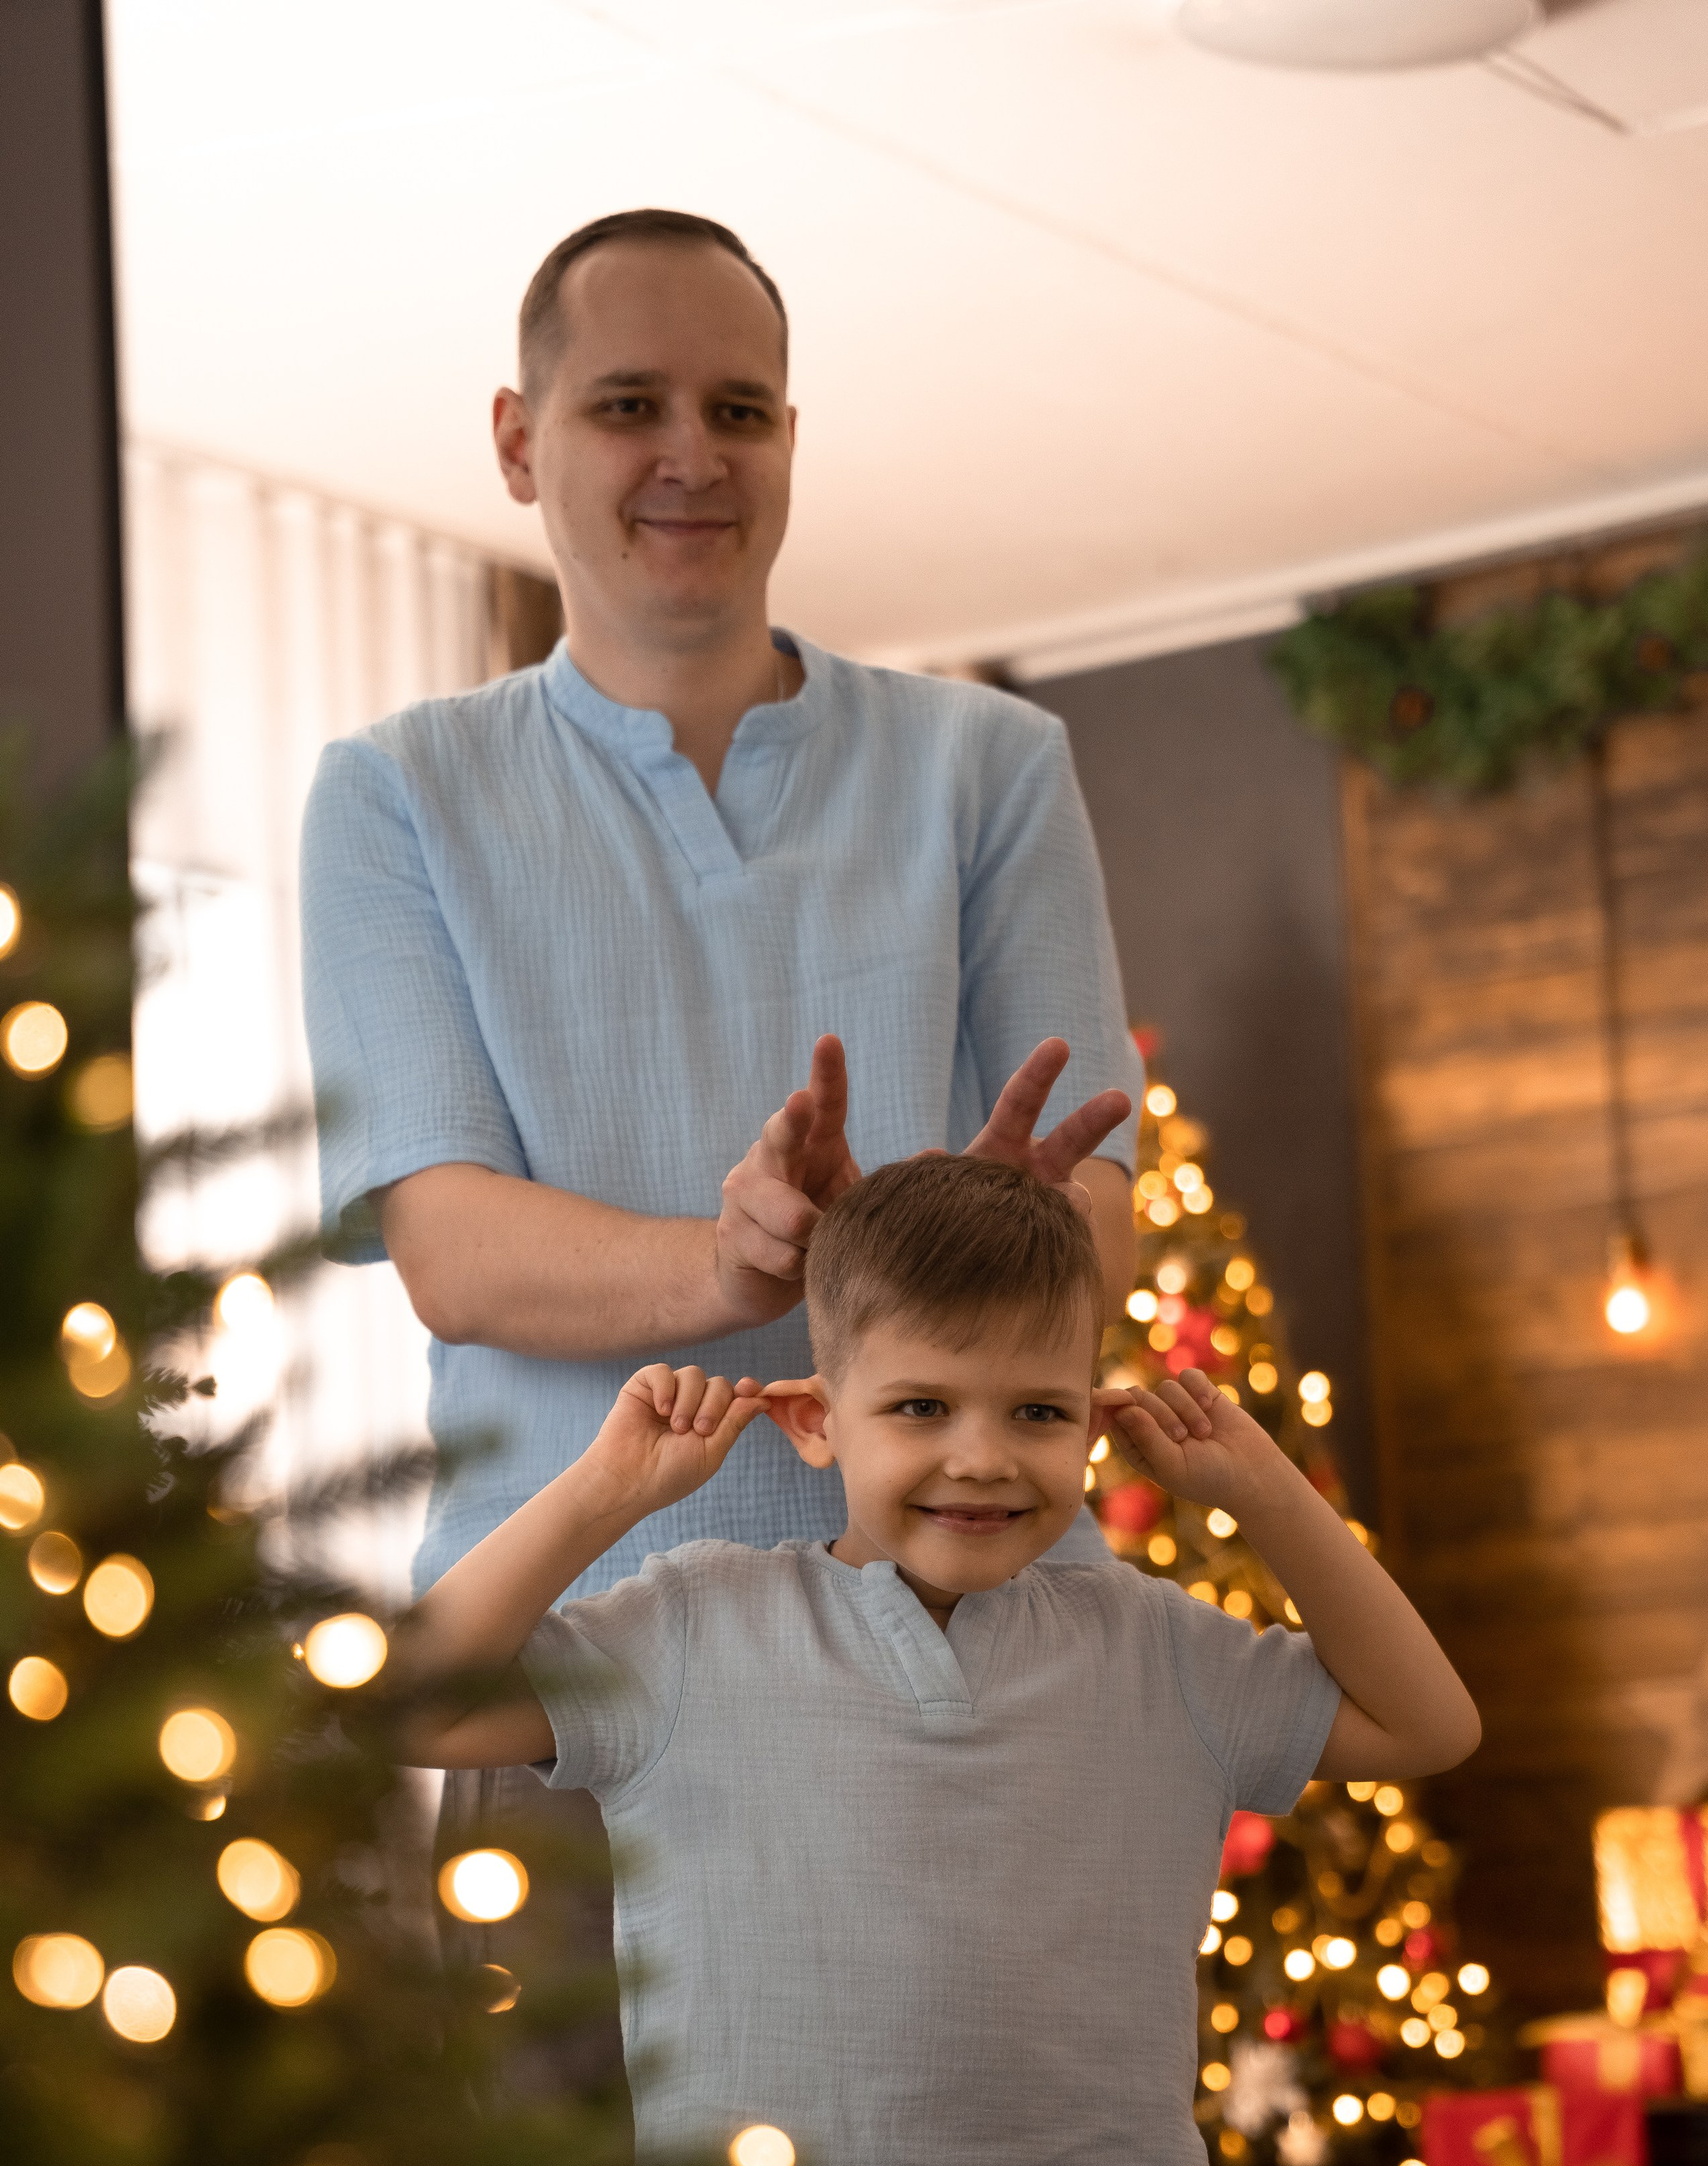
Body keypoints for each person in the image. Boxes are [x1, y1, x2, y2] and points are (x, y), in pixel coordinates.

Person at [390, 1154, 1481, 2166]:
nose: (983, 1458)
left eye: (1037, 1412)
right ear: (817, 1417)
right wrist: (602, 1497)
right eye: (921, 1409)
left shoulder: (1163, 1655)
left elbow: (1430, 1725)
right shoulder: (690, 1628)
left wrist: (1264, 1496)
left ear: (1096, 1424)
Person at [299, 207, 1140, 1607]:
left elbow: (1096, 1215)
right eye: (629, 405)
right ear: (518, 441)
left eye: (737, 411)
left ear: (789, 442)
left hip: (968, 1635)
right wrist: (734, 1260)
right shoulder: (396, 793)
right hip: (569, 1655)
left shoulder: (989, 764)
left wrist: (988, 1247)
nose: (691, 455)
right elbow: (447, 1251)